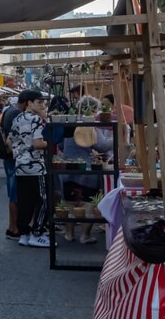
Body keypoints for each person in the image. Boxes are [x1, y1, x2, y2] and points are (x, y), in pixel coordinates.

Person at [61, 96, 113, 244]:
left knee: (69, 201)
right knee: (88, 202)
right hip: (87, 168)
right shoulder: (90, 125)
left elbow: (60, 145)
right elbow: (102, 146)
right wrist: (116, 138)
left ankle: (69, 234)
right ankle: (85, 235)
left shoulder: (69, 123)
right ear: (93, 110)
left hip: (66, 166)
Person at [10, 89, 50, 248]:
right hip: (35, 166)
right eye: (39, 102)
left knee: (25, 201)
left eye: (43, 102)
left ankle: (24, 234)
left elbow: (9, 141)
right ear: (29, 103)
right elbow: (38, 143)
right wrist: (50, 143)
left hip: (20, 165)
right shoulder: (36, 119)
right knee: (43, 200)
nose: (42, 105)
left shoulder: (17, 118)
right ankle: (37, 233)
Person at [0, 94, 26, 240]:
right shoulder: (17, 114)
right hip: (15, 157)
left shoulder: (8, 111)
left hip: (8, 156)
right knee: (15, 193)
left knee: (13, 192)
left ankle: (13, 227)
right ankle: (13, 228)